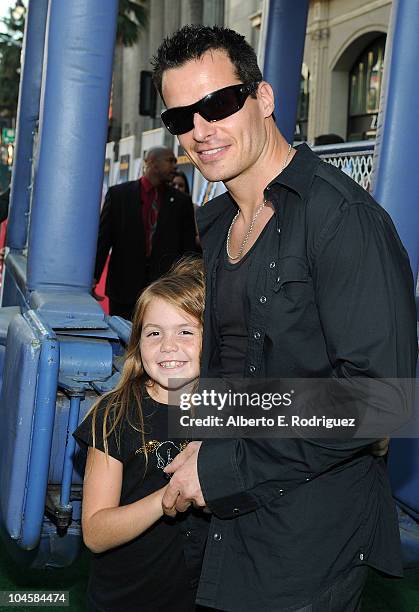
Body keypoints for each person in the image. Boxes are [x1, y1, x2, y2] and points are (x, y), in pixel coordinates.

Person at [151, 25, 418, 612]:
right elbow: (249, 371)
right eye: (181, 118)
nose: (201, 130)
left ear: (264, 98)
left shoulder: (342, 220)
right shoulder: (219, 222)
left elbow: (381, 401)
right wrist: (202, 431)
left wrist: (223, 464)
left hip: (308, 541)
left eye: (218, 104)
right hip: (230, 527)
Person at [74, 257, 208, 612]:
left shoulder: (226, 408)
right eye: (154, 332)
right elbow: (95, 533)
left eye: (185, 331)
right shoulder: (116, 413)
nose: (167, 345)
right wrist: (168, 496)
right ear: (138, 343)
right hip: (127, 600)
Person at [94, 146, 197, 320]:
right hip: (124, 288)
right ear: (153, 163)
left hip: (165, 289)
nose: (175, 165)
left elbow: (187, 248)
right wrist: (94, 277)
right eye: (170, 160)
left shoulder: (181, 202)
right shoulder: (119, 195)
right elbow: (104, 239)